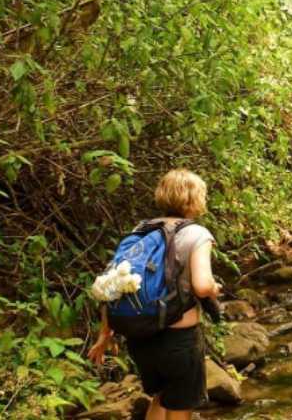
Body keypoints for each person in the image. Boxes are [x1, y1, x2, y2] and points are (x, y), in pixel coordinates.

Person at [88, 169, 221, 420]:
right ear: (195, 199)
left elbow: (115, 285)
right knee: (180, 406)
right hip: (179, 338)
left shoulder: (141, 232)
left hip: (141, 336)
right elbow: (203, 286)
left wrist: (105, 334)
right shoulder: (196, 234)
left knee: (159, 396)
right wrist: (214, 288)